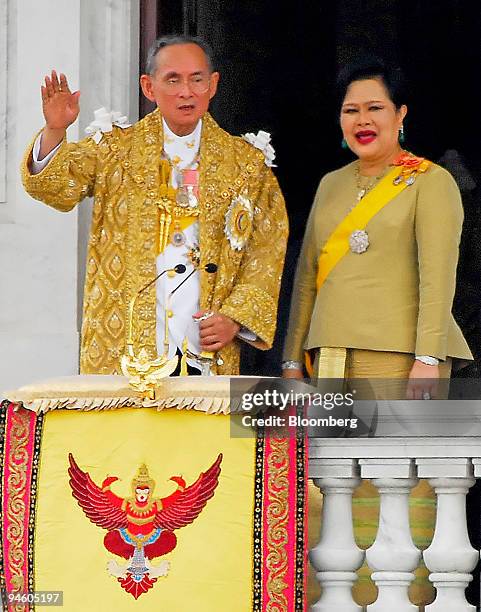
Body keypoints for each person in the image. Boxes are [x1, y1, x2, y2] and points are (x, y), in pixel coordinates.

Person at [21, 35, 288, 376]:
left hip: (205, 348)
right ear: (149, 87)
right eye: (172, 80)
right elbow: (54, 187)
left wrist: (235, 318)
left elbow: (266, 248)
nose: (186, 91)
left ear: (213, 84)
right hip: (126, 346)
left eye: (197, 79)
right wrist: (55, 131)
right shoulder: (115, 149)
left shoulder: (246, 164)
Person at [282, 56, 472, 395]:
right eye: (351, 110)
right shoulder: (330, 184)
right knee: (329, 450)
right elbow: (306, 278)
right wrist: (291, 362)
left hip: (400, 357)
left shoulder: (431, 181)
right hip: (330, 356)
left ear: (400, 115)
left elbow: (438, 277)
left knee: (397, 450)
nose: (362, 120)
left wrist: (428, 357)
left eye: (375, 108)